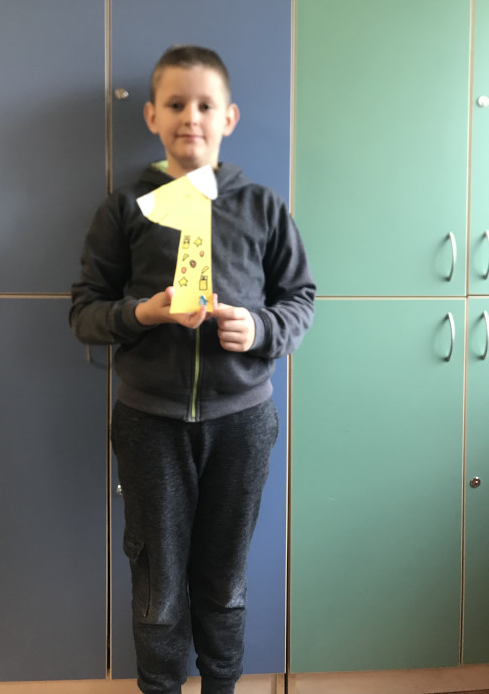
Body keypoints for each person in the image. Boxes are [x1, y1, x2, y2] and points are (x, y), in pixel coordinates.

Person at [70, 45, 315, 694]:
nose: (191, 118)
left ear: (228, 118)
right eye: (176, 104)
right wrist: (142, 313)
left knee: (224, 579)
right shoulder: (125, 209)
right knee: (157, 581)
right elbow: (85, 312)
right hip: (149, 423)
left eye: (205, 105)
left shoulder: (262, 207)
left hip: (242, 422)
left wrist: (260, 329)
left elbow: (300, 299)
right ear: (151, 115)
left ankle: (222, 686)